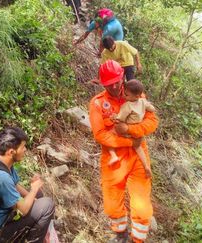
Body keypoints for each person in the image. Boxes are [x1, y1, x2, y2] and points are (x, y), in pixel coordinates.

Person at [88, 60, 158, 243]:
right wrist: (128, 141)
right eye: (108, 84)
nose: (113, 86)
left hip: (138, 156)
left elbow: (152, 123)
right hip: (114, 158)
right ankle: (120, 234)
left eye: (116, 82)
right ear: (102, 83)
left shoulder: (137, 94)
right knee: (112, 205)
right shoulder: (97, 103)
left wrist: (130, 130)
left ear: (122, 77)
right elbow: (100, 135)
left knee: (142, 207)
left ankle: (137, 240)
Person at [0, 127, 55, 243]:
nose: (25, 150)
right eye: (23, 147)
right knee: (47, 205)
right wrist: (33, 189)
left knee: (38, 195)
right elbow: (22, 210)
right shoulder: (0, 177)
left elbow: (15, 185)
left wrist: (33, 195)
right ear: (11, 152)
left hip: (1, 214)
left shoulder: (1, 161)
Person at [108, 79, 155, 179]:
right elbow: (151, 109)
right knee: (138, 148)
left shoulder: (127, 106)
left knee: (109, 134)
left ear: (137, 96)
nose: (124, 96)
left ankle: (113, 156)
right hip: (137, 131)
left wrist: (114, 117)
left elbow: (120, 118)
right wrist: (150, 106)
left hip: (127, 130)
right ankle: (146, 166)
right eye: (124, 93)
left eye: (127, 95)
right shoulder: (143, 101)